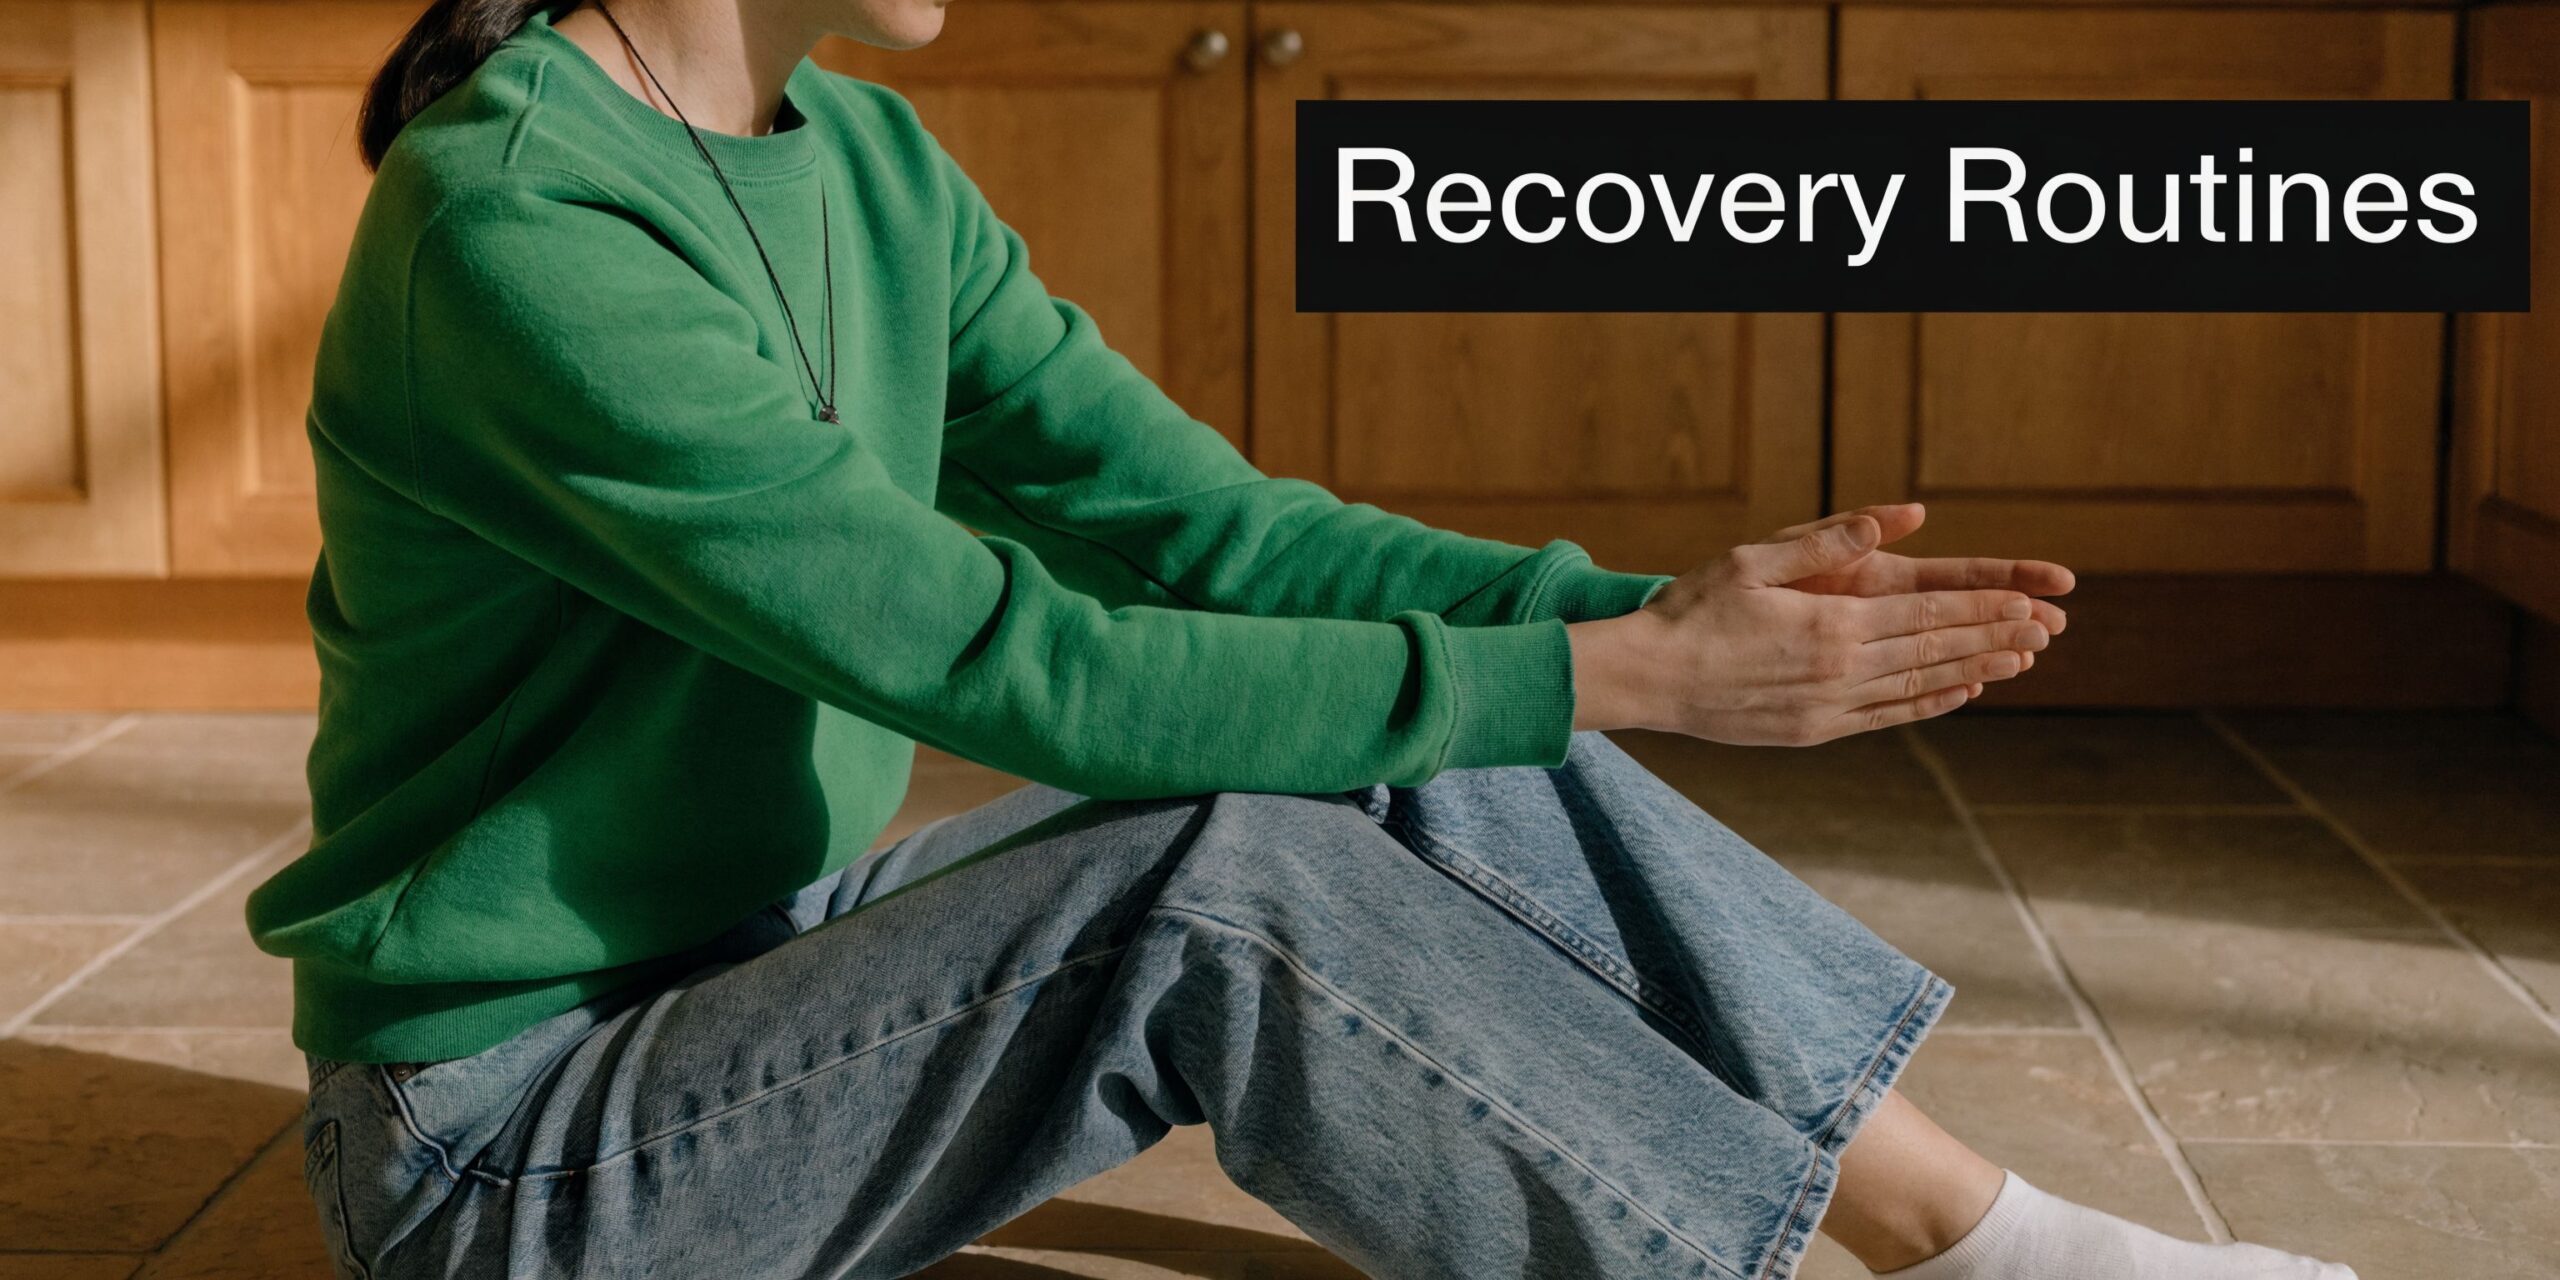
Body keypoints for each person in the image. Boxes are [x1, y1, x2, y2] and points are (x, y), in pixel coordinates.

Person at [248, 0, 2360, 1275]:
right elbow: (1014, 666)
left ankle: (1983, 1240)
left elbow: (1212, 534)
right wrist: (1627, 681)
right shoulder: (522, 222)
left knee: (1410, 733)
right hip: (498, 1150)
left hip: (746, 970)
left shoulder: (868, 163)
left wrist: (1637, 618)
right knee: (1219, 883)